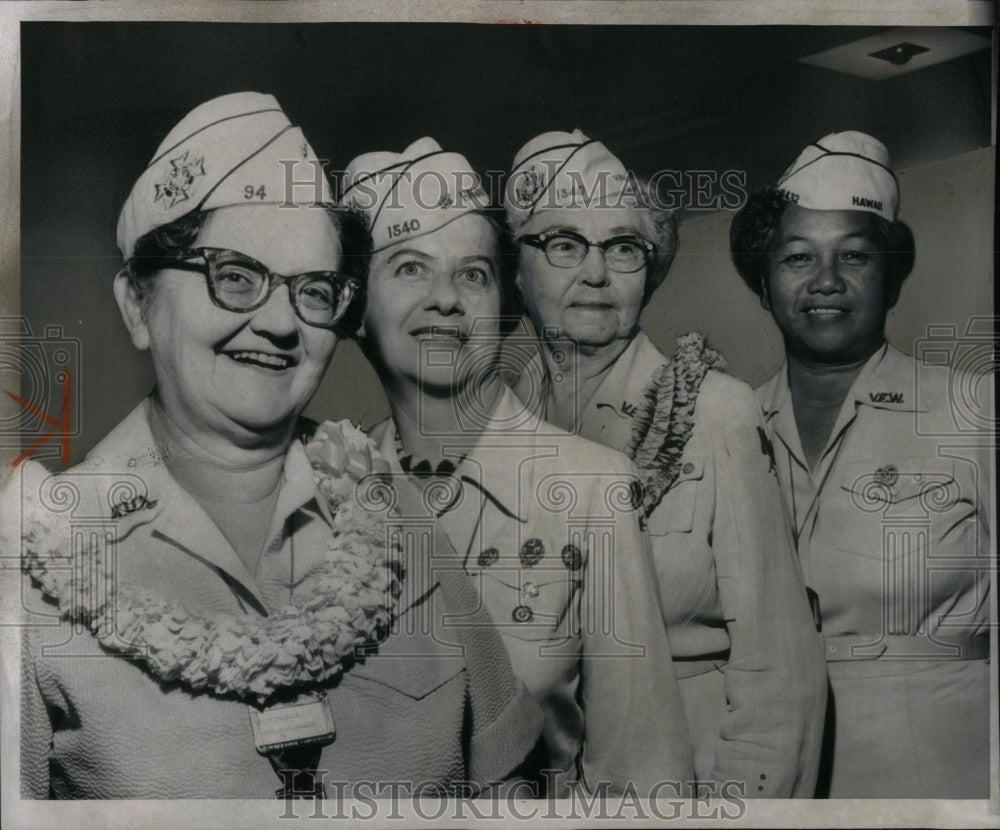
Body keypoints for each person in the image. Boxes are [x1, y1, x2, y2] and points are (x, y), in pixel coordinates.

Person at [4, 92, 541, 799]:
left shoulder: (392, 505)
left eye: (314, 290)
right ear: (137, 302)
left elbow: (508, 778)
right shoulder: (36, 563)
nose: (281, 324)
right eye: (234, 277)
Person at [340, 137, 695, 796]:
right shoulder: (330, 488)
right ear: (356, 309)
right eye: (411, 268)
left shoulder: (594, 488)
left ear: (505, 306)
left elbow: (646, 778)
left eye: (473, 273)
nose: (446, 299)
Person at [507, 130, 827, 797]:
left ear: (649, 270)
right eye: (564, 244)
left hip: (692, 780)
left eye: (623, 248)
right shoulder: (498, 428)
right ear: (516, 269)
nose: (595, 274)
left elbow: (781, 672)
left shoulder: (715, 410)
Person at [730, 131, 992, 798]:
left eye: (854, 256)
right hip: (780, 782)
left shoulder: (973, 410)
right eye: (796, 258)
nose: (825, 283)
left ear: (893, 277)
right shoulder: (731, 428)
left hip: (942, 777)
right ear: (764, 284)